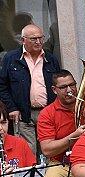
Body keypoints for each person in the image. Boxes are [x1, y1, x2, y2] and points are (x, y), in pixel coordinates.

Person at [0, 24, 61, 153]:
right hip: (23, 114)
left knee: (49, 151)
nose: (38, 42)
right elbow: (2, 86)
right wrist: (12, 108)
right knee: (28, 152)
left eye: (41, 38)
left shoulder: (50, 58)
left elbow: (58, 85)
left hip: (48, 113)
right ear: (23, 40)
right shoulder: (11, 58)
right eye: (34, 39)